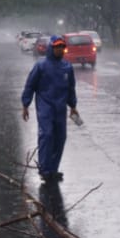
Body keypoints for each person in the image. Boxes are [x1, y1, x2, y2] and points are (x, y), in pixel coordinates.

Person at [21, 35, 79, 182]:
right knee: (47, 135)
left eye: (62, 47)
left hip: (60, 108)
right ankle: (44, 169)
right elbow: (30, 85)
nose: (60, 50)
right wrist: (25, 105)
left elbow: (71, 88)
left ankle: (53, 169)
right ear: (51, 48)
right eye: (57, 47)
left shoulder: (67, 67)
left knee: (60, 137)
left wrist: (73, 106)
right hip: (45, 107)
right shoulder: (41, 66)